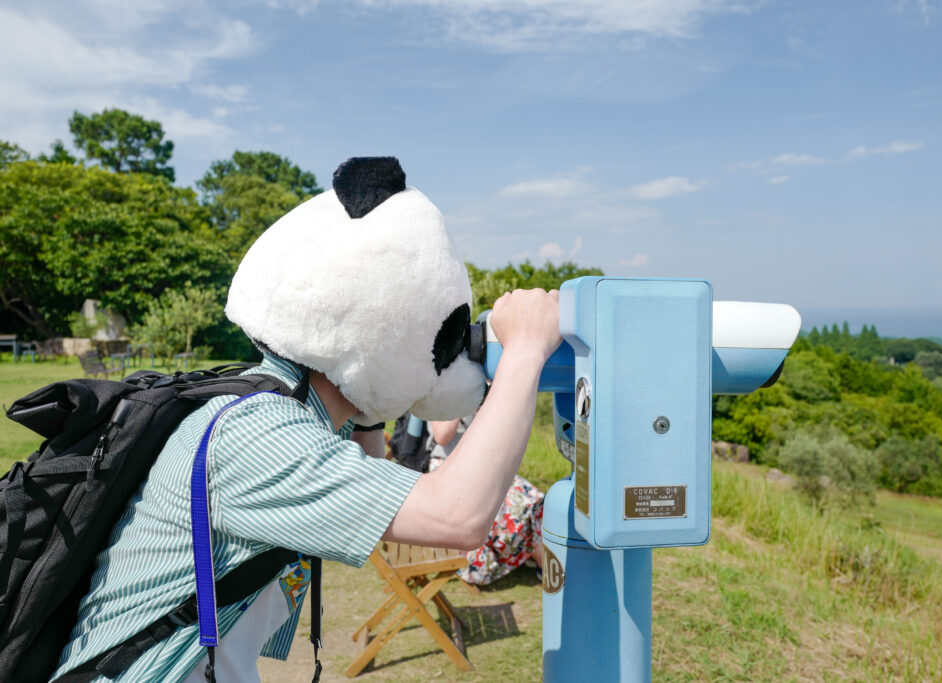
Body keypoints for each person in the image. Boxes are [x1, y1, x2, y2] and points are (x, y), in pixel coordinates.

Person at [49, 157, 562, 682]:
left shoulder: (273, 406)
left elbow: (372, 470)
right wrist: (524, 352)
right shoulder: (258, 435)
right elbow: (458, 517)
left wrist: (377, 395)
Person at [428, 415, 545, 585]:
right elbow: (442, 436)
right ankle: (547, 567)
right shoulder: (440, 391)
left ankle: (543, 563)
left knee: (531, 500)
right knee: (519, 506)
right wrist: (460, 396)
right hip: (450, 470)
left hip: (478, 466)